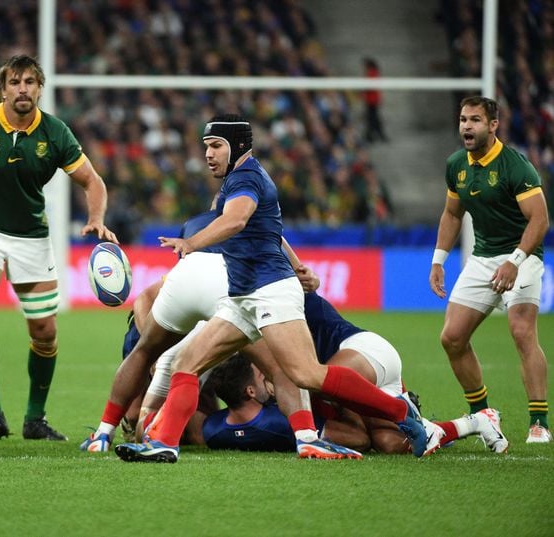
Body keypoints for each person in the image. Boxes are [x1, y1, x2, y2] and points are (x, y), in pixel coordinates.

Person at [115, 114, 429, 464]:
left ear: (238, 147)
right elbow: (267, 231)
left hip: (270, 292)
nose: (208, 154)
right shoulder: (237, 179)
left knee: (305, 374)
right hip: (242, 297)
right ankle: (165, 444)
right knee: (186, 364)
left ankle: (399, 412)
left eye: (216, 146)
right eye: (206, 147)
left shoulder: (246, 178)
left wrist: (192, 243)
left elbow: (236, 220)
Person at [0, 55, 117, 443]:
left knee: (45, 331)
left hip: (31, 235)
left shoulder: (55, 133)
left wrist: (96, 216)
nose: (23, 88)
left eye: (30, 81)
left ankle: (34, 419)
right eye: (15, 82)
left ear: (40, 88)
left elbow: (92, 181)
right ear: (4, 88)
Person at [80, 209, 360, 459]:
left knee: (157, 364)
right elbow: (297, 275)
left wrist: (153, 343)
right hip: (233, 298)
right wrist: (311, 278)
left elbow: (149, 295)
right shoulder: (257, 222)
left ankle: (108, 433)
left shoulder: (195, 225)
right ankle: (307, 437)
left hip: (189, 296)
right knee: (281, 369)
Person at [203, 291, 508, 455]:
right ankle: (475, 423)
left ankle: (402, 408)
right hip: (358, 374)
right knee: (390, 444)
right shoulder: (253, 310)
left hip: (366, 352)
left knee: (306, 384)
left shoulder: (278, 297)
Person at [429, 96, 551, 444]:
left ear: (493, 125)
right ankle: (484, 415)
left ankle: (539, 422)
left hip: (523, 256)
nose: (467, 126)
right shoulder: (456, 165)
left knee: (521, 332)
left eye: (475, 120)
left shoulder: (516, 166)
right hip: (483, 259)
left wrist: (515, 261)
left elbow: (540, 220)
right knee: (451, 338)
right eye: (464, 119)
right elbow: (453, 213)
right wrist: (439, 259)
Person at [362, 57, 388, 143]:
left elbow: (369, 86)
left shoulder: (371, 72)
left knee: (373, 118)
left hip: (372, 100)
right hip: (373, 99)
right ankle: (373, 135)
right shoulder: (374, 72)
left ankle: (373, 135)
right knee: (373, 118)